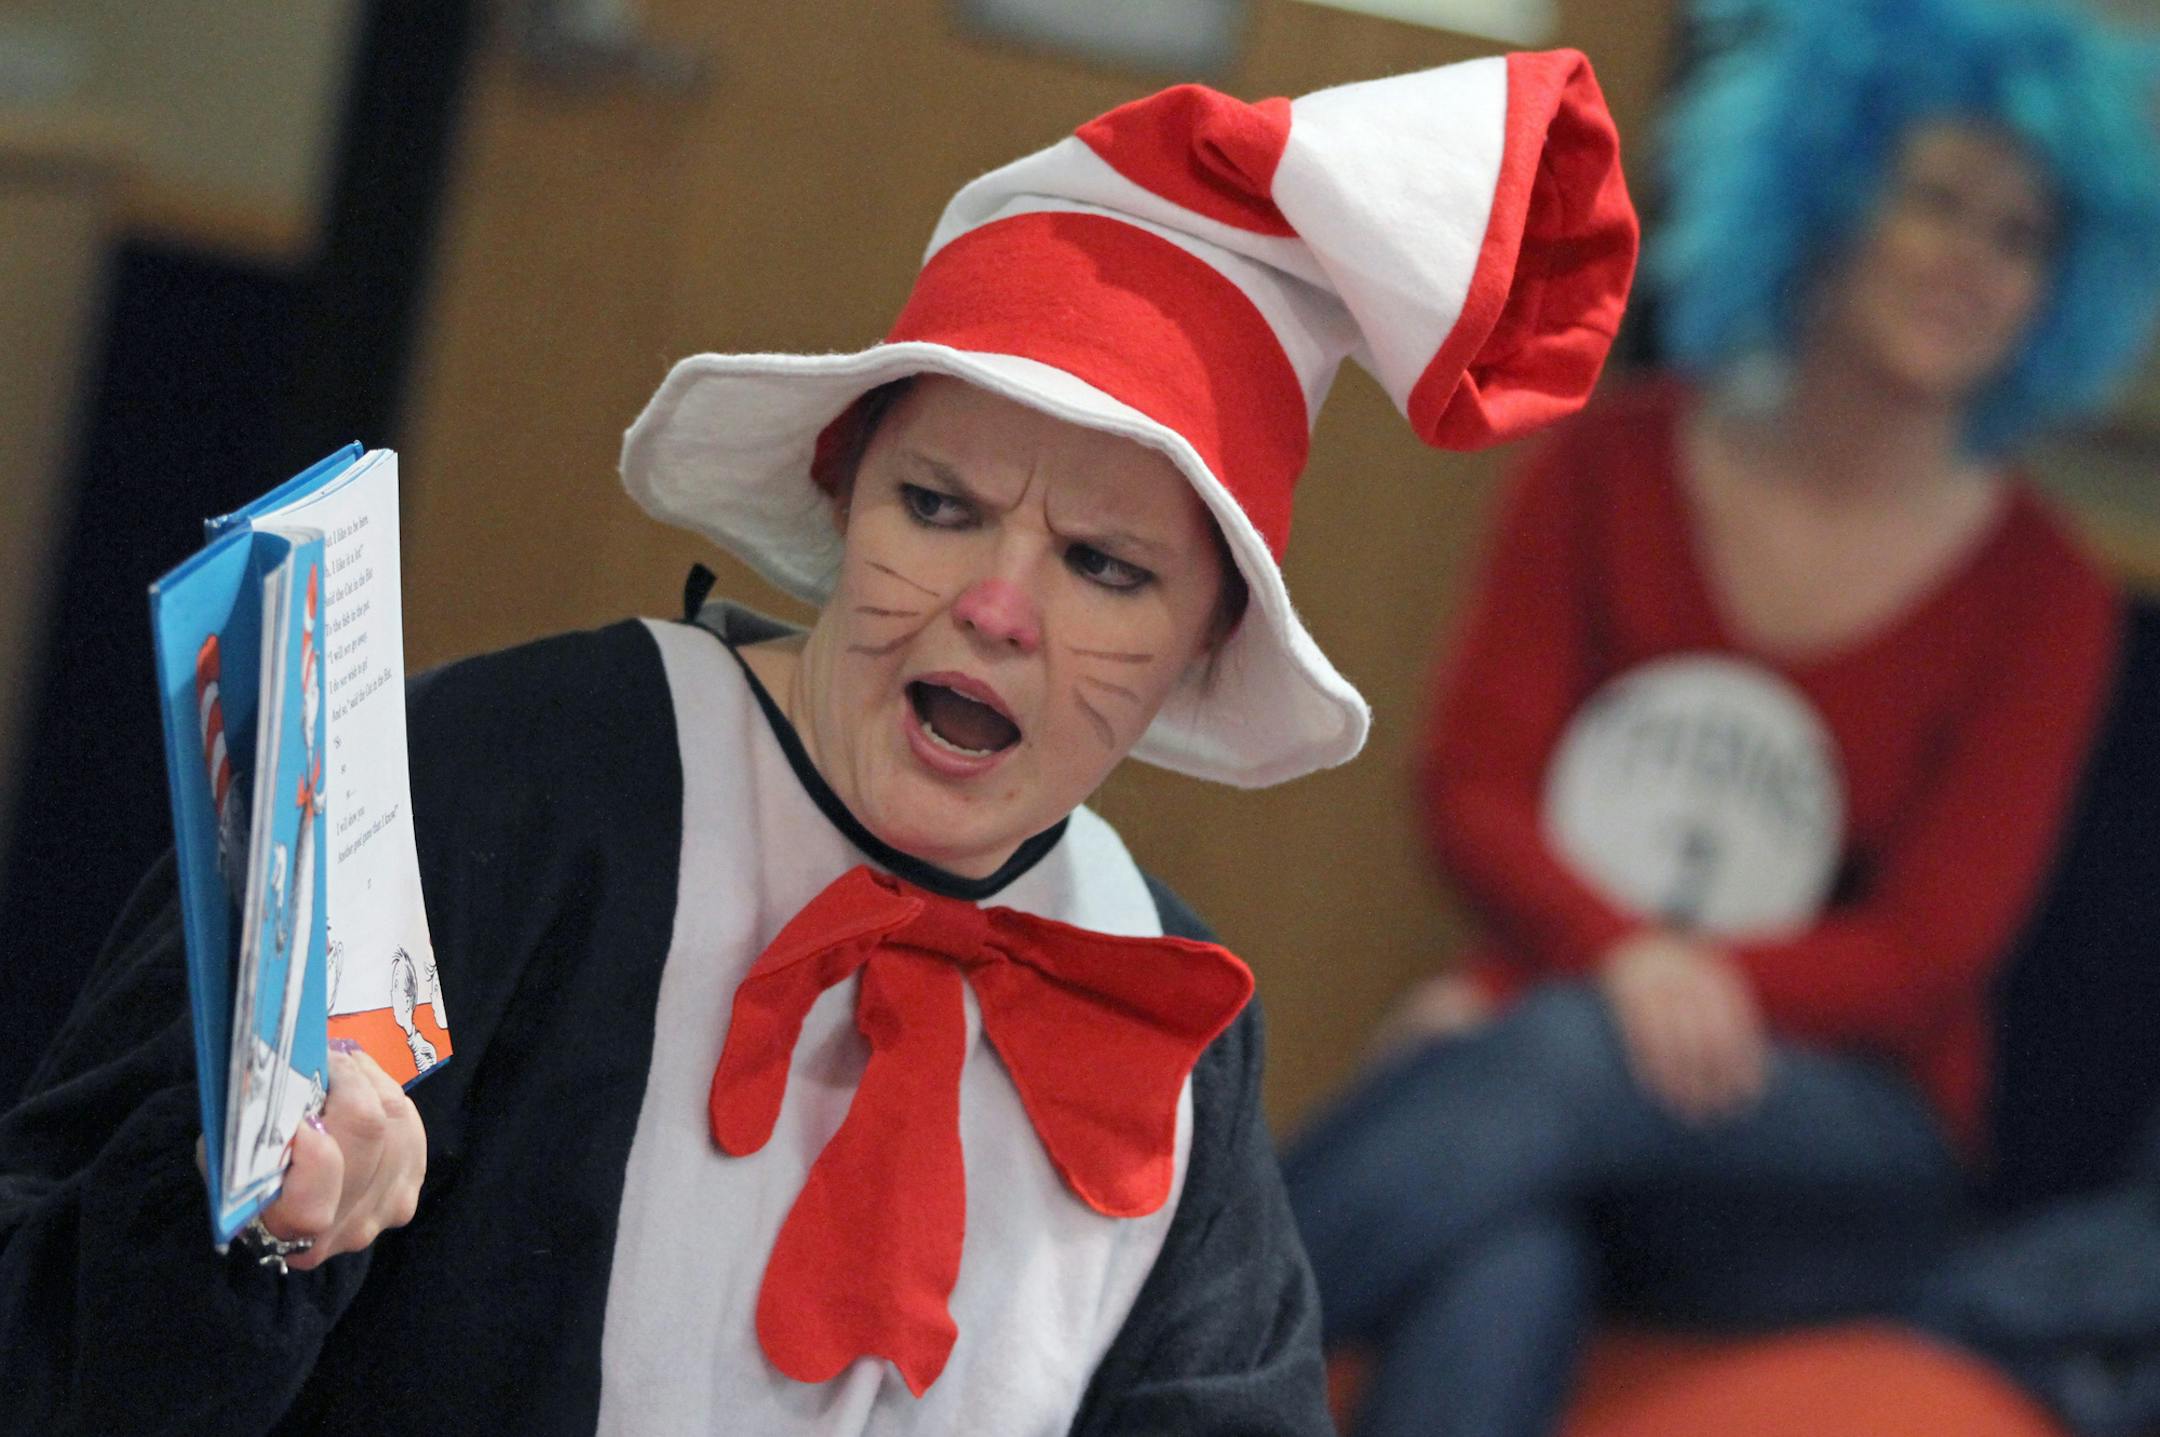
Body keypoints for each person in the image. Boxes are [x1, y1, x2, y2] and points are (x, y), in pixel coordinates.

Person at [0, 52, 1636, 1437]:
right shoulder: (511, 778)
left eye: (1105, 566)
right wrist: (263, 1232)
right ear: (842, 496)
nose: (1000, 606)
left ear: (1205, 643)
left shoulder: (1164, 1014)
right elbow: (55, 1345)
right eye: (942, 506)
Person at [1282, 3, 2160, 1436]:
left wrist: (1565, 997)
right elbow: (1474, 789)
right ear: (1824, 181)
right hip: (1565, 1099)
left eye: (2021, 236)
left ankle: (1119, 1373)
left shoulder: (2046, 589)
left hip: (1835, 1153)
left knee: (1560, 1068)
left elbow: (1928, 953)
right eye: (1936, 197)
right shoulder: (1608, 466)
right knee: (1508, 1260)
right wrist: (1611, 970)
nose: (1972, 263)